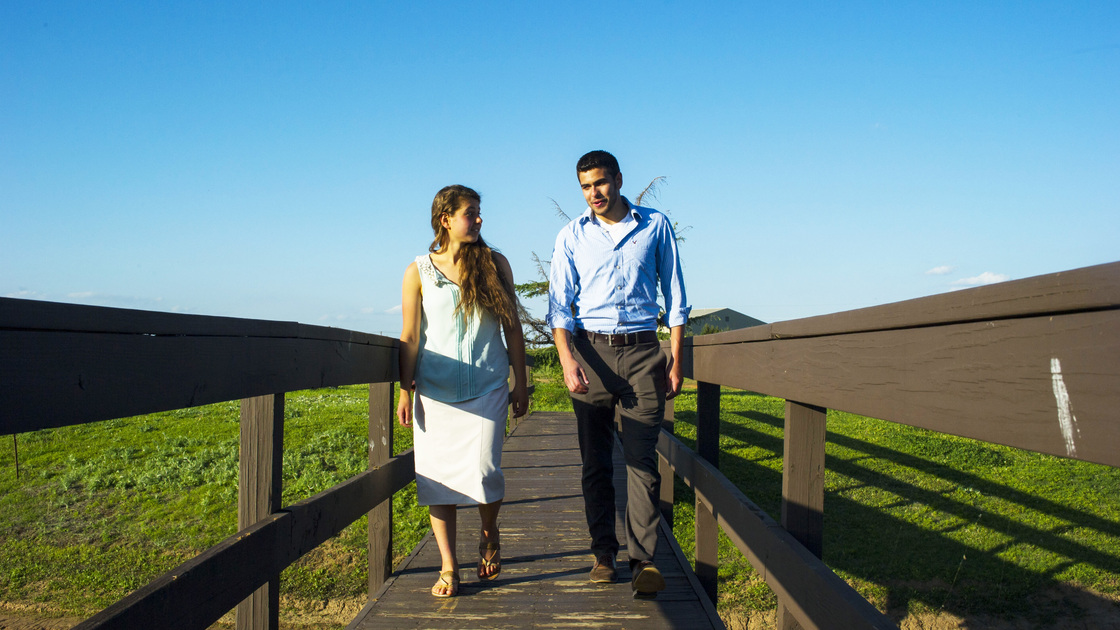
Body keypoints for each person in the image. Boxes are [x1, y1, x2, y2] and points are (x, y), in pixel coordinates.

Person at [547, 150, 690, 599]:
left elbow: (677, 295)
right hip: (590, 353)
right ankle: (603, 554)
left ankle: (643, 560)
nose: (595, 194)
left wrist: (678, 358)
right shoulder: (571, 235)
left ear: (619, 180)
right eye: (586, 187)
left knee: (643, 461)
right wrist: (567, 359)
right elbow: (558, 305)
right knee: (595, 461)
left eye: (602, 183)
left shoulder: (655, 226)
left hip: (645, 351)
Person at [397, 184, 529, 598]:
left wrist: (520, 381)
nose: (478, 219)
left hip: (488, 385)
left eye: (478, 212)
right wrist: (404, 391)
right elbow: (411, 334)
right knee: (437, 480)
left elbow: (512, 329)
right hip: (434, 392)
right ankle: (449, 567)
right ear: (445, 219)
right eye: (470, 213)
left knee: (486, 472)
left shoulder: (495, 264)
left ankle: (489, 532)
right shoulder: (418, 270)